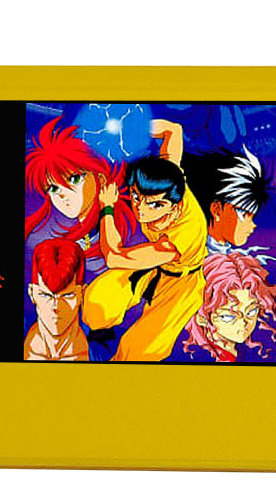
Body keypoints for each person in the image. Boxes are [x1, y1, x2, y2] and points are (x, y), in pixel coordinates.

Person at [81, 121, 207, 361]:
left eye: (155, 205)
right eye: (137, 197)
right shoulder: (167, 175)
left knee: (137, 352)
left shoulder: (180, 237)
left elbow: (114, 257)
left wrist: (107, 208)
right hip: (150, 267)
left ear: (174, 206)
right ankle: (103, 333)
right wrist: (129, 129)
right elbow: (173, 130)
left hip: (181, 284)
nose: (141, 210)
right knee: (96, 307)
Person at [25, 116, 136, 275]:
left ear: (100, 179)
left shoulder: (125, 227)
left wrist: (107, 207)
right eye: (53, 188)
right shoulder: (76, 236)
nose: (62, 195)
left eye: (74, 179)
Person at [182, 252, 276, 362]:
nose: (243, 323)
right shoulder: (194, 357)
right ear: (202, 317)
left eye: (251, 311)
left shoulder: (254, 350)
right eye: (228, 317)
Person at [180, 145, 273, 254]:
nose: (253, 225)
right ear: (217, 209)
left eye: (252, 216)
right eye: (245, 214)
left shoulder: (228, 256)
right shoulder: (194, 255)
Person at [24, 238, 89, 362]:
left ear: (82, 294)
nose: (56, 306)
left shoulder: (104, 350)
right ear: (32, 293)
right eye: (45, 295)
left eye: (67, 295)